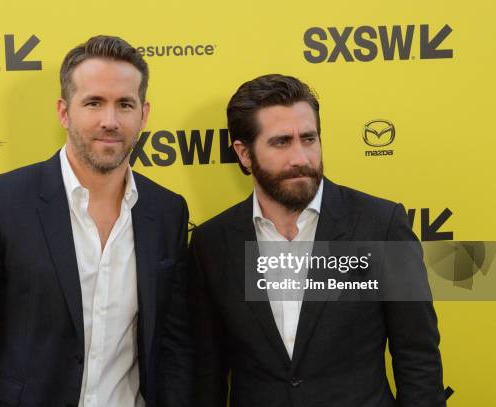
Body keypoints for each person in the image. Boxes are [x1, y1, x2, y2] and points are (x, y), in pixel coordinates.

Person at [0, 35, 191, 407]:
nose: (110, 121)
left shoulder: (167, 211)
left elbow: (173, 344)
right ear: (64, 111)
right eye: (94, 103)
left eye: (125, 104)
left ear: (144, 114)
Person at [188, 74, 445, 406]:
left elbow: (418, 358)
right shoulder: (213, 243)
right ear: (244, 153)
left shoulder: (380, 226)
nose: (301, 158)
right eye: (281, 142)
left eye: (308, 139)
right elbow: (207, 374)